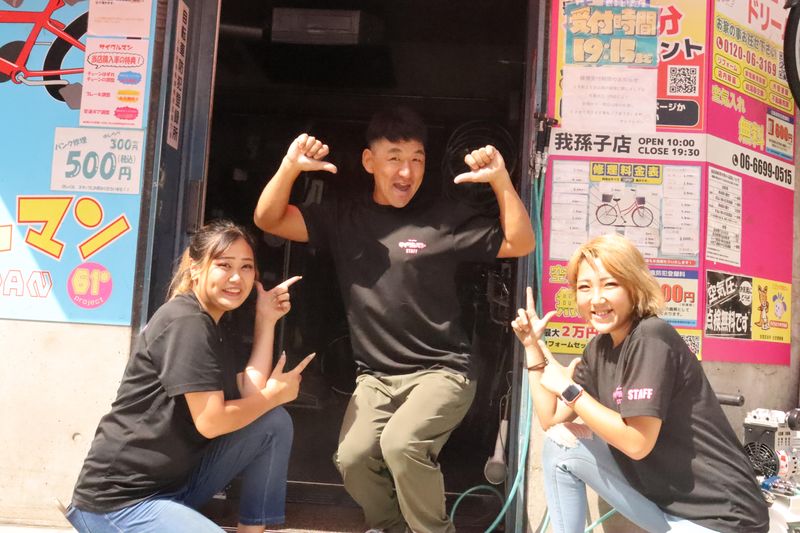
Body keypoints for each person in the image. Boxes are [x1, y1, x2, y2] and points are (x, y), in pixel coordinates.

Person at [253, 107, 535, 533]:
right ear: (369, 161)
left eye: (416, 159)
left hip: (443, 370)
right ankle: (392, 526)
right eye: (394, 158)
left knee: (403, 445)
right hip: (377, 378)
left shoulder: (442, 219)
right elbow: (268, 219)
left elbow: (520, 242)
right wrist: (290, 166)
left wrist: (500, 180)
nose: (406, 171)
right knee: (352, 458)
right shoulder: (344, 218)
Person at [65, 220, 314, 533]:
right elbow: (212, 421)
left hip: (175, 486)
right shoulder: (186, 322)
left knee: (272, 422)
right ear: (196, 269)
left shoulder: (214, 323)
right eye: (224, 265)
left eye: (246, 267)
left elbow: (252, 400)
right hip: (120, 503)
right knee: (269, 409)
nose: (236, 277)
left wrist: (265, 321)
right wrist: (273, 395)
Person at [511, 233, 769, 533]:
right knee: (561, 442)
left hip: (723, 518)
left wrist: (570, 391)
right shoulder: (598, 349)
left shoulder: (651, 336)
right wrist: (532, 346)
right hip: (665, 507)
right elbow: (551, 418)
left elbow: (636, 443)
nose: (597, 299)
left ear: (634, 287)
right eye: (585, 287)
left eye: (610, 284)